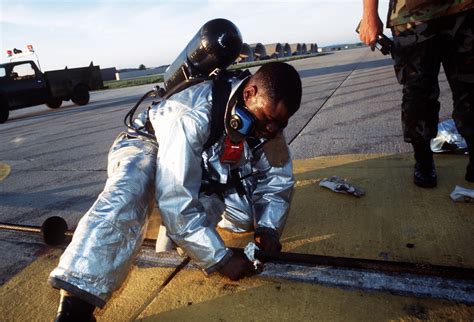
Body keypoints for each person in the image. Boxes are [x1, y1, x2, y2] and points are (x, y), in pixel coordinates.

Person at [49, 61, 302, 321]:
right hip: (147, 146)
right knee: (130, 193)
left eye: (281, 123)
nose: (272, 130)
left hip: (199, 161)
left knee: (248, 216)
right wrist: (220, 259)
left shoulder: (267, 124)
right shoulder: (191, 114)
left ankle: (179, 231)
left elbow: (277, 179)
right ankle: (75, 303)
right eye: (269, 120)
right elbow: (176, 199)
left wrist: (268, 229)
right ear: (250, 94)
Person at [359, 0, 474, 187]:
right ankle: (423, 162)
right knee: (418, 95)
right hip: (412, 16)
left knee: (470, 88)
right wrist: (369, 14)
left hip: (465, 9)